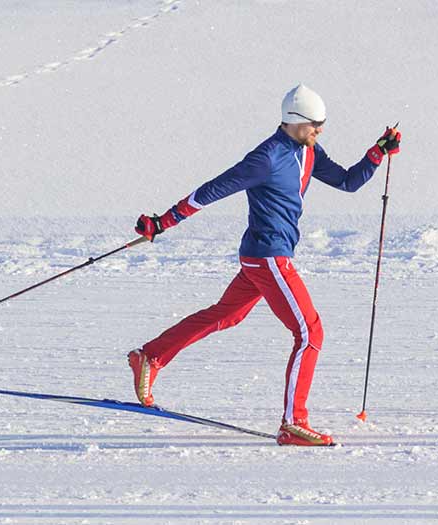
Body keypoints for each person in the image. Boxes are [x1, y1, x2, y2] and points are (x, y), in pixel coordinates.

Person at [129, 84, 401, 446]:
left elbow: (348, 182)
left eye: (323, 123)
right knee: (310, 333)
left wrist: (376, 153)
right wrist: (164, 221)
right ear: (294, 121)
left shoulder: (309, 151)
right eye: (315, 124)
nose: (320, 130)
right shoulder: (267, 157)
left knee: (226, 314)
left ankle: (150, 356)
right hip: (268, 256)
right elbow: (212, 189)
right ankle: (294, 422)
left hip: (265, 255)